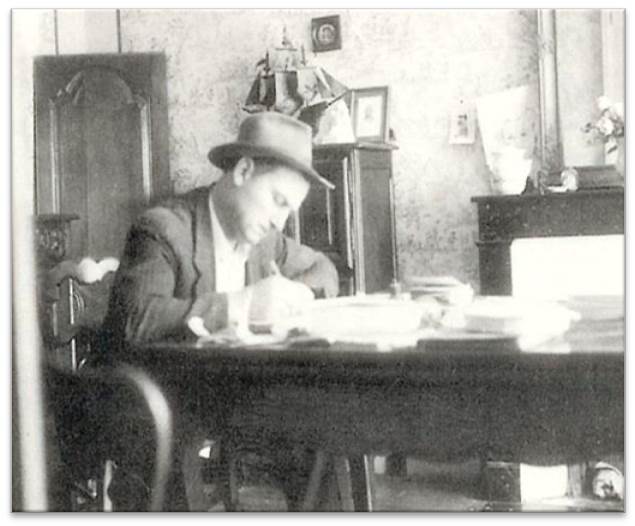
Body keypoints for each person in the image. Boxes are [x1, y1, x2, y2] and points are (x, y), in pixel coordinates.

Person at [100, 112, 339, 510]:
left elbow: (325, 269)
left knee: (326, 433)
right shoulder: (163, 228)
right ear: (243, 170)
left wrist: (296, 293)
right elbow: (135, 319)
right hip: (149, 403)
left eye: (289, 211)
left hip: (227, 398)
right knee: (177, 453)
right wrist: (239, 305)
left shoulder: (267, 240)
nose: (280, 220)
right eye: (278, 201)